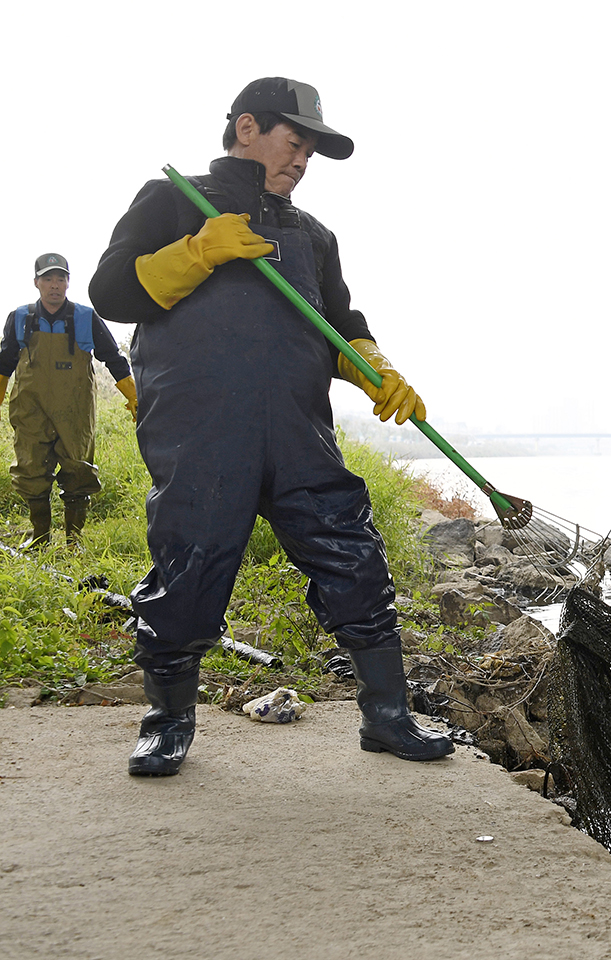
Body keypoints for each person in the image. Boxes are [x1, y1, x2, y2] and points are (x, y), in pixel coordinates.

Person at [90, 77, 451, 776]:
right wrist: (199, 251)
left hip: (297, 433)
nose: (302, 161)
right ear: (248, 127)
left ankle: (386, 715)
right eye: (296, 142)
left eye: (312, 152)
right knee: (187, 569)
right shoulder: (173, 199)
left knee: (354, 557)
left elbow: (341, 324)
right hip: (200, 430)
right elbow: (111, 293)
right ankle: (167, 721)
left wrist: (374, 367)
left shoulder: (313, 235)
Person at [1, 253, 137, 546]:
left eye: (60, 278)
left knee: (78, 470)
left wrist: (134, 398)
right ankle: (40, 537)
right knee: (30, 469)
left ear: (68, 282)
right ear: (36, 283)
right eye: (48, 278)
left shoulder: (86, 317)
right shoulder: (20, 318)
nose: (54, 285)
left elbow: (113, 358)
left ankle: (73, 541)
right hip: (30, 409)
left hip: (74, 411)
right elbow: (4, 363)